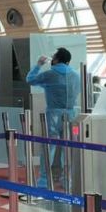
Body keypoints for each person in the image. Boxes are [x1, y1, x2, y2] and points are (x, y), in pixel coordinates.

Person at [26, 47, 81, 187]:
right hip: (71, 115)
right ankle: (66, 180)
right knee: (67, 148)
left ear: (56, 59)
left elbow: (30, 80)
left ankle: (44, 180)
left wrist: (38, 65)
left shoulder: (50, 74)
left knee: (48, 147)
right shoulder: (76, 75)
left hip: (53, 115)